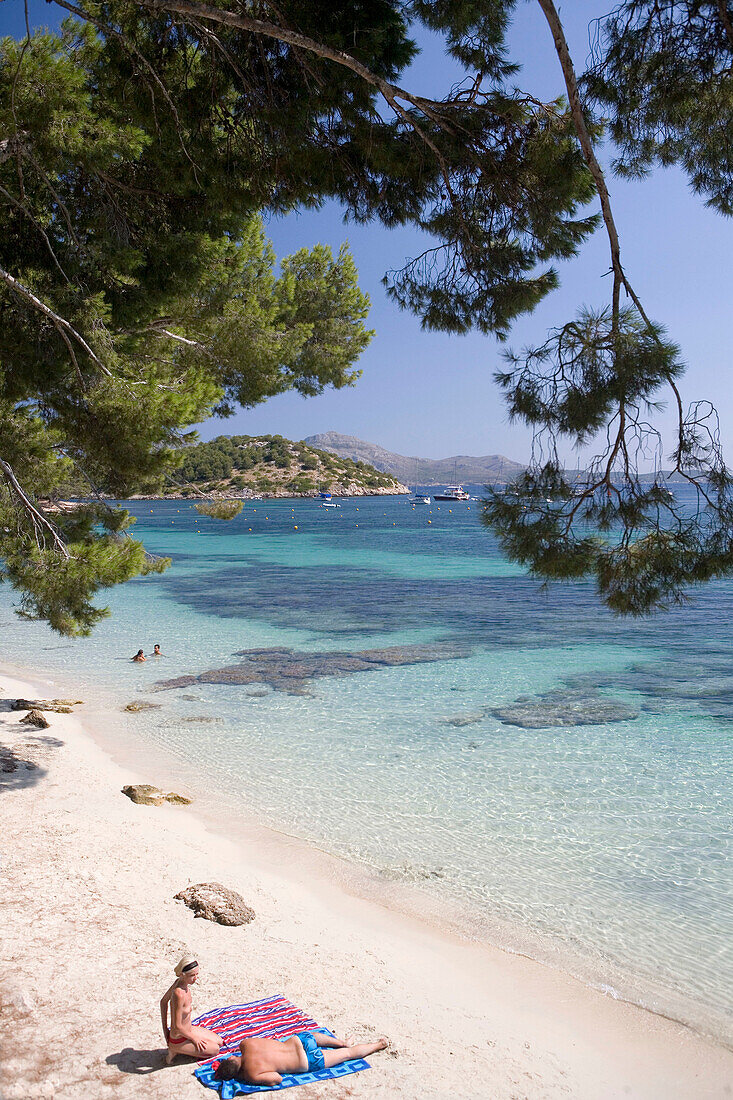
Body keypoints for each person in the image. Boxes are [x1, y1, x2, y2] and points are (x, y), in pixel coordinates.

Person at [214, 1030, 388, 1087]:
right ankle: (342, 1042)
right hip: (300, 1041)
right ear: (231, 1059)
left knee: (348, 1056)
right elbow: (268, 1041)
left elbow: (277, 1079)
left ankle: (379, 1045)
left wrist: (247, 1077)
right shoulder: (246, 1044)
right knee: (311, 1036)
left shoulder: (252, 1073)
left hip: (307, 1061)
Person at [160, 954, 221, 1065]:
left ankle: (178, 1046)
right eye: (192, 975)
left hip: (188, 1029)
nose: (195, 978)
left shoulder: (179, 982)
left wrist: (166, 1031)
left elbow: (163, 1002)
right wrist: (194, 1038)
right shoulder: (179, 994)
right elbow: (178, 1027)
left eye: (197, 974)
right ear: (183, 975)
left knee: (220, 1042)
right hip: (179, 1037)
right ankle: (174, 1049)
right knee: (215, 1050)